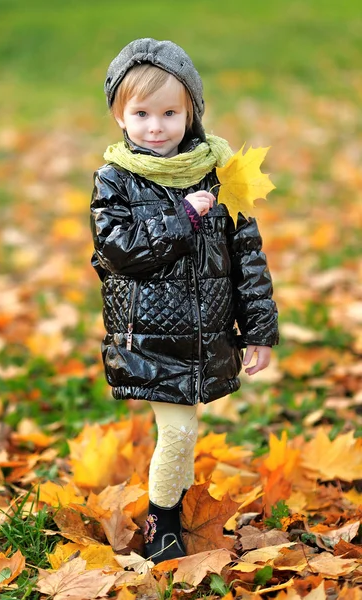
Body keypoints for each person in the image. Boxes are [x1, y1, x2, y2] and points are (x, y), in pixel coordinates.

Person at [90, 38, 279, 563]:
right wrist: (183, 219)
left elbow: (248, 258)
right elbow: (118, 249)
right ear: (120, 118)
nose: (156, 126)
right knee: (179, 429)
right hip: (148, 337)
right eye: (142, 113)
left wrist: (259, 330)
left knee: (183, 431)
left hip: (206, 336)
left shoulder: (221, 175)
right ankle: (164, 523)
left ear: (191, 112)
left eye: (170, 112)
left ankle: (176, 511)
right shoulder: (116, 182)